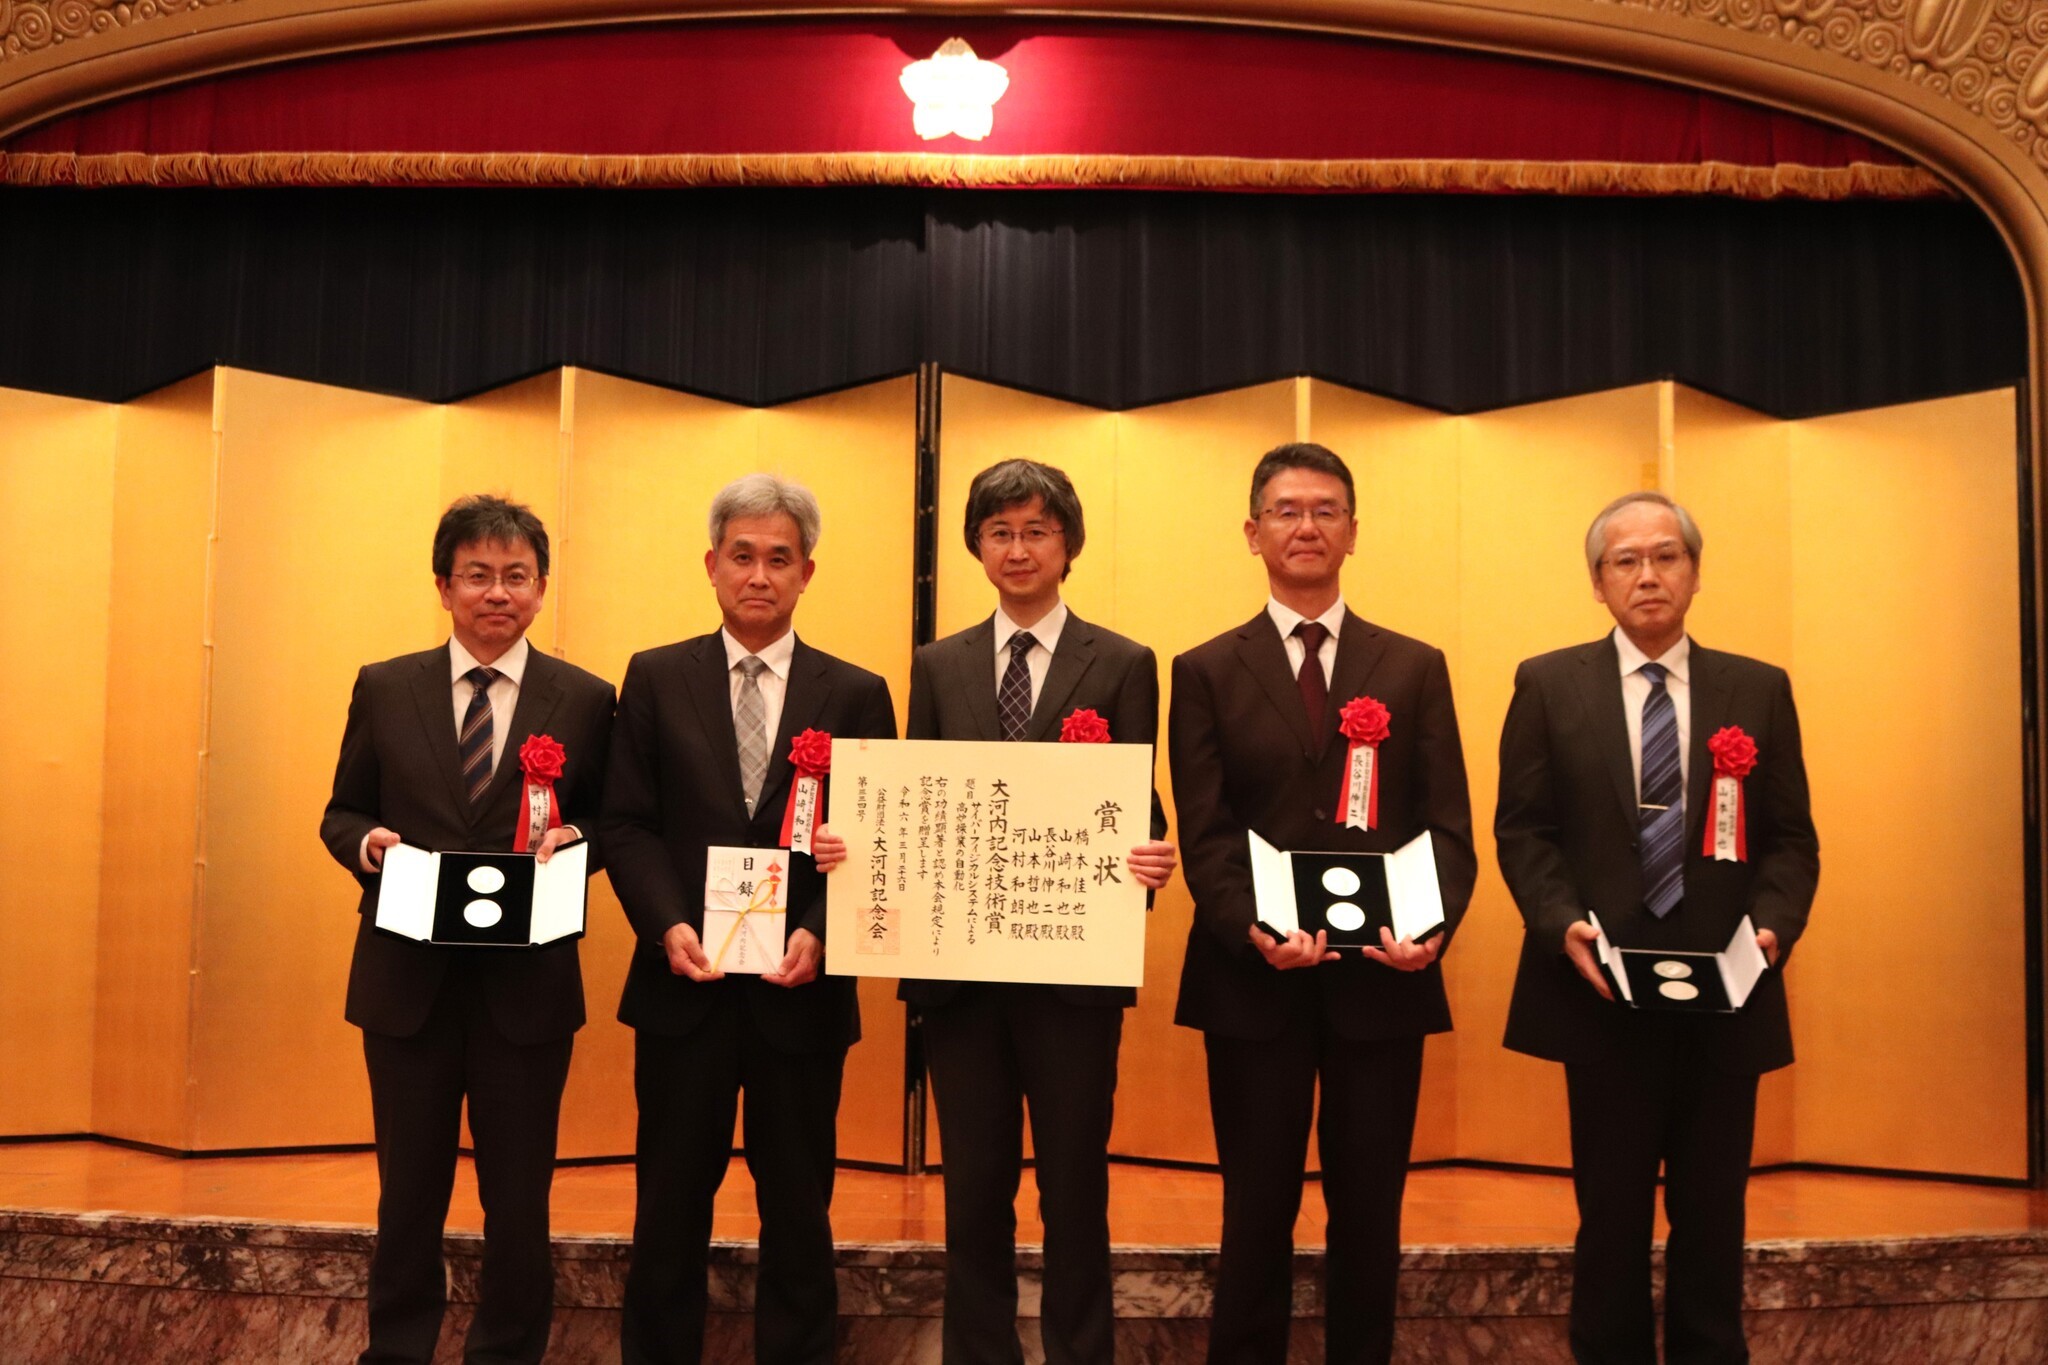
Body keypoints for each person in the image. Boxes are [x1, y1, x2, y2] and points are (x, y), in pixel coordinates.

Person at [1170, 442, 1476, 1365]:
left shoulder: (1414, 665)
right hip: (1252, 982)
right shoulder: (1206, 668)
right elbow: (1207, 829)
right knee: (1254, 1206)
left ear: (1353, 530)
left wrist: (1426, 929)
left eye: (1326, 510)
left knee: (1371, 1209)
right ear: (1253, 531)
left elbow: (1446, 824)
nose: (1307, 526)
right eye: (1288, 509)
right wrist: (1251, 928)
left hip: (1382, 981)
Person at [1496, 490, 1818, 1365]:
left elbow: (1791, 841)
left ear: (1696, 572)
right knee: (1611, 1214)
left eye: (1667, 556)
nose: (1648, 574)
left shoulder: (1757, 687)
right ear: (1597, 583)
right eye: (1625, 560)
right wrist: (1561, 924)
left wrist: (1770, 933)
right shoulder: (1548, 682)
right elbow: (1524, 830)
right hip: (1604, 993)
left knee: (1714, 1214)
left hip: (1727, 994)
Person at [601, 473, 896, 1365]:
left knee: (800, 1212)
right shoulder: (655, 676)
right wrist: (664, 925)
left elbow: (878, 835)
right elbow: (625, 819)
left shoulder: (856, 691)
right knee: (669, 1208)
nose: (758, 575)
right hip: (681, 985)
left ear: (808, 572)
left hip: (797, 992)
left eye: (779, 558)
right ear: (711, 565)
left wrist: (818, 926)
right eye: (742, 556)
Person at [320, 494, 616, 1365]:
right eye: (478, 575)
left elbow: (614, 821)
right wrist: (365, 843)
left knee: (518, 1197)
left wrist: (578, 841)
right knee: (408, 1192)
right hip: (405, 984)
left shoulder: (586, 696)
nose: (498, 593)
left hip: (525, 992)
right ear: (444, 585)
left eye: (516, 576)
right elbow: (343, 808)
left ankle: (508, 1352)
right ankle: (398, 1350)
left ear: (542, 587)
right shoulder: (385, 684)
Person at [899, 458, 1177, 1365]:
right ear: (977, 545)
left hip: (1073, 978)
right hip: (962, 979)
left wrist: (1153, 851)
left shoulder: (1125, 661)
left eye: (1037, 531)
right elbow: (922, 798)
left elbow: (1143, 805)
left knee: (1073, 1184)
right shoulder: (937, 664)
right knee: (973, 1187)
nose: (1018, 548)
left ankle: (1080, 1353)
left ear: (1069, 545)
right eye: (1000, 532)